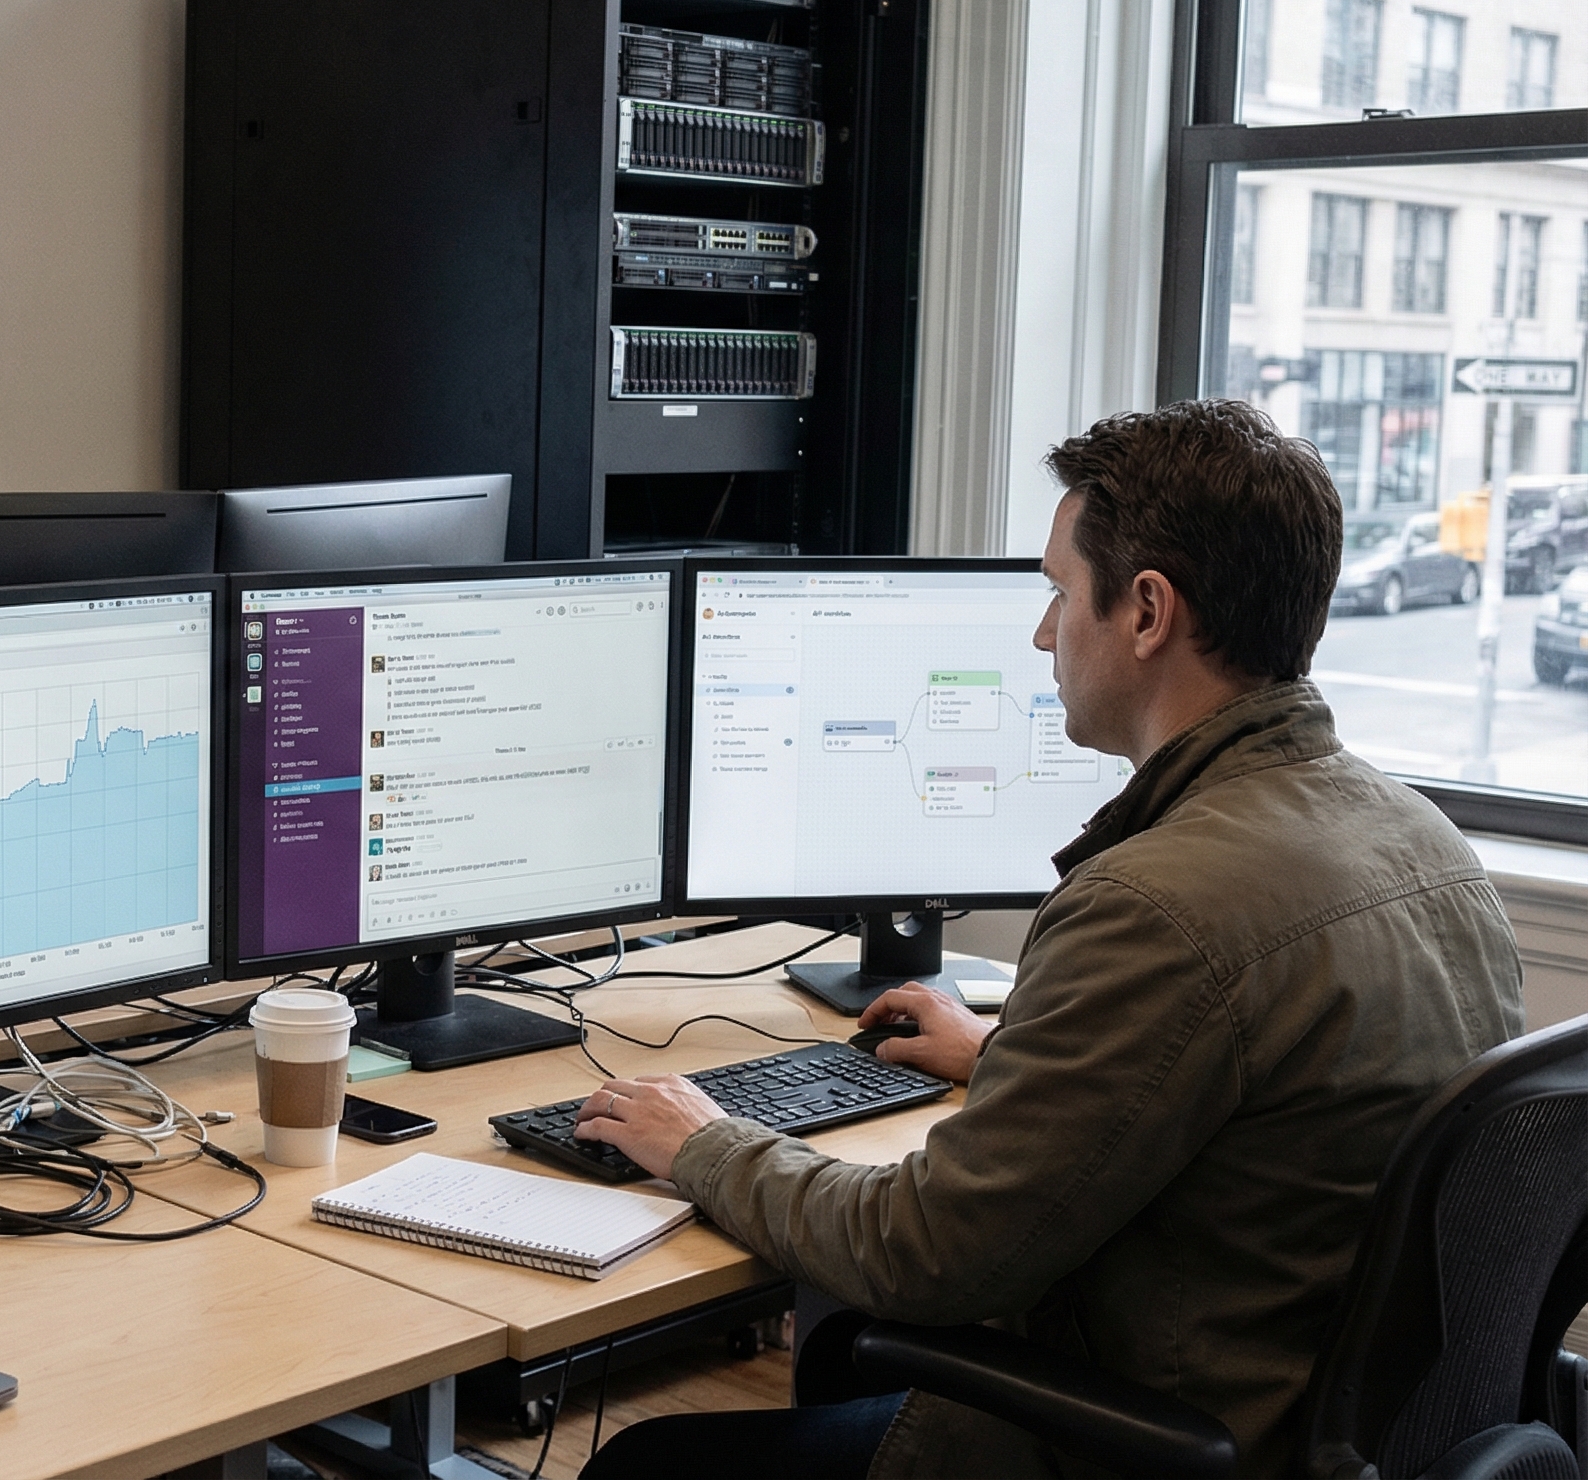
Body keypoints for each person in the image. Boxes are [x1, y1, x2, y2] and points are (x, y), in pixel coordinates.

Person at [576, 401, 1524, 1480]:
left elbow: (924, 1255)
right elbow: (1280, 1114)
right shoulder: (1418, 837)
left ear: (1147, 612)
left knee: (646, 1466)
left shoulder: (1159, 904)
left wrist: (703, 1139)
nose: (1042, 634)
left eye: (1058, 595)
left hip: (1148, 1447)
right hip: (1329, 1429)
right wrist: (1004, 1061)